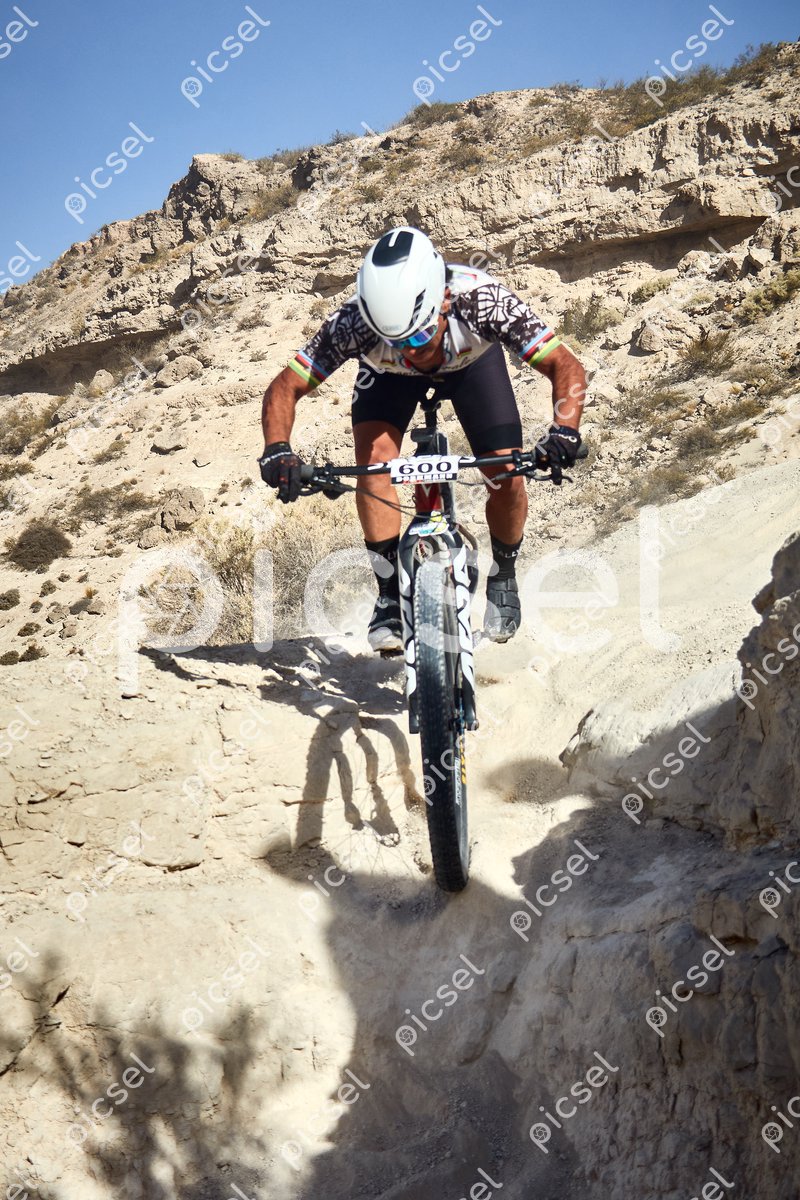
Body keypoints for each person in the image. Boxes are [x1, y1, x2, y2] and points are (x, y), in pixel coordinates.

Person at [259, 226, 585, 651]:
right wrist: (277, 450)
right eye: (395, 340)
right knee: (374, 467)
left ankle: (504, 574)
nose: (411, 351)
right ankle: (389, 596)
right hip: (388, 379)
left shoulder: (482, 299)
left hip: (472, 368)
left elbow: (564, 365)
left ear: (444, 301)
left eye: (417, 335)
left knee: (506, 470)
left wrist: (564, 430)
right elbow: (286, 387)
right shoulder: (352, 323)